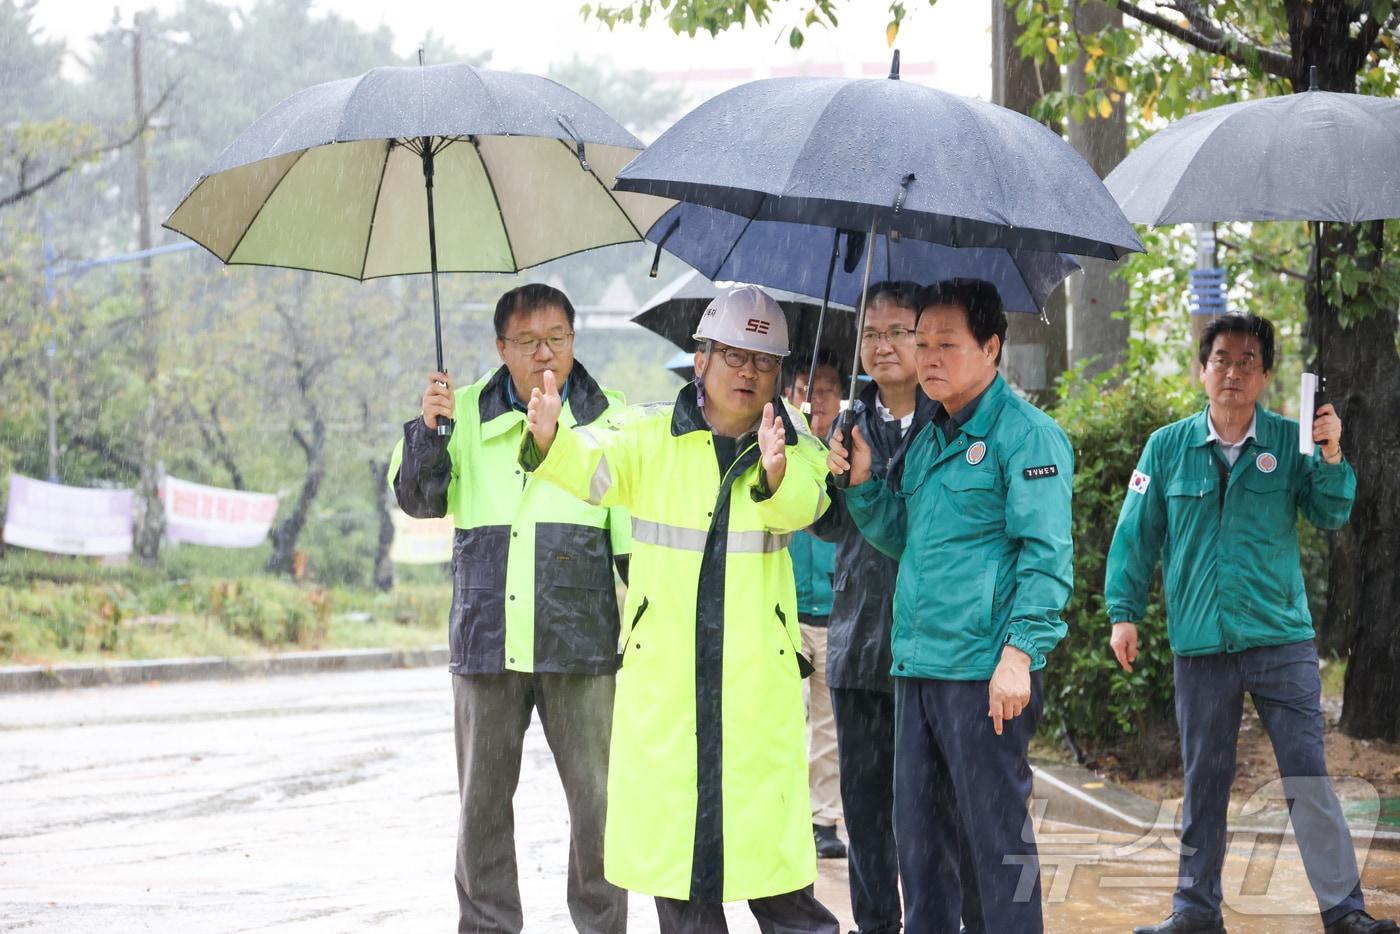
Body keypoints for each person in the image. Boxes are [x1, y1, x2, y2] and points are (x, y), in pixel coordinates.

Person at [523, 285, 840, 934]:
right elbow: (596, 470)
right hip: (669, 684)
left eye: (764, 360)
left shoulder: (795, 441)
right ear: (700, 360)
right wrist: (553, 439)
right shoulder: (648, 435)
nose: (748, 372)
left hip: (753, 691)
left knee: (779, 886)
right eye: (733, 355)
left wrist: (777, 473)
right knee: (683, 886)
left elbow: (807, 503)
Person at [1105, 313, 1396, 934]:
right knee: (1203, 779)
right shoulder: (1166, 447)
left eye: (1246, 362)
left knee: (1307, 775)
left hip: (1280, 639)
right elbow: (1135, 535)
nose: (1232, 372)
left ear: (1265, 376)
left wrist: (1331, 452)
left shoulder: (1291, 443)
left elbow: (1331, 511)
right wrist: (1123, 614)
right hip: (1200, 643)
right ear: (1200, 369)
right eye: (1221, 360)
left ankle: (1345, 913)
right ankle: (1194, 912)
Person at [828, 278, 1073, 933]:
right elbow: (905, 537)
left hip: (984, 674)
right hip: (918, 669)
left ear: (992, 347)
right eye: (922, 342)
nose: (928, 357)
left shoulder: (1027, 437)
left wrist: (1020, 655)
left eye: (946, 345)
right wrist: (859, 485)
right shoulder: (931, 435)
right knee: (922, 848)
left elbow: (1046, 560)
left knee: (996, 846)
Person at [388, 282, 628, 934]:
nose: (544, 353)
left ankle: (602, 924)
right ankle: (488, 925)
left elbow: (631, 536)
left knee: (601, 805)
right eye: (527, 341)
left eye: (557, 338)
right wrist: (429, 435)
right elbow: (420, 502)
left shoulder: (611, 422)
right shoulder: (458, 412)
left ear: (575, 342)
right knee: (482, 807)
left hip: (579, 641)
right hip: (486, 637)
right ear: (501, 347)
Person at [810, 281, 933, 934]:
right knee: (864, 810)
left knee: (925, 810)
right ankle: (876, 924)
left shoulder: (951, 422)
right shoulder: (850, 422)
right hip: (857, 643)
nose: (883, 346)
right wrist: (826, 473)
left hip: (929, 653)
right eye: (872, 334)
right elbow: (827, 527)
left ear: (925, 338)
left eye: (898, 332)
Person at [785, 353, 847, 861]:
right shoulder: (778, 449)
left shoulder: (849, 452)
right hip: (783, 611)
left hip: (834, 609)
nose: (817, 398)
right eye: (808, 387)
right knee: (780, 719)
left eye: (828, 388)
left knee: (827, 724)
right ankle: (781, 812)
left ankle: (822, 818)